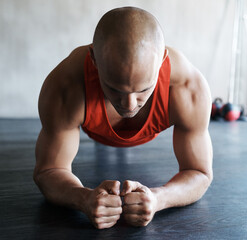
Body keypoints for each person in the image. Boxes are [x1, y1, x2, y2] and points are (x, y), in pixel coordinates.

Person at [34, 6, 213, 229]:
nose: (129, 105)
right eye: (115, 89)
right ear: (94, 60)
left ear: (162, 61)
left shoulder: (188, 88)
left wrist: (158, 199)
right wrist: (83, 199)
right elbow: (48, 170)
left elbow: (199, 172)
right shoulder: (67, 85)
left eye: (144, 90)